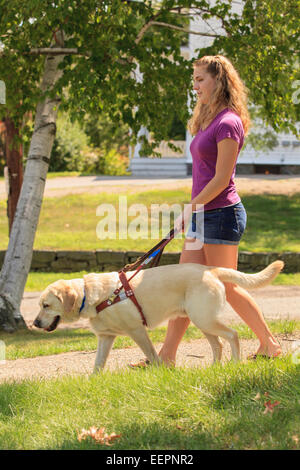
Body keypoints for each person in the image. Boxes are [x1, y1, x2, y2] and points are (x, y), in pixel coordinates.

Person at [130, 55, 281, 369]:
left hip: (222, 214)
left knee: (226, 284)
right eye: (194, 80)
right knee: (186, 285)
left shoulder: (228, 122)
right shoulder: (209, 118)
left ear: (219, 80)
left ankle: (270, 344)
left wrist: (193, 206)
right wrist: (194, 210)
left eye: (200, 79)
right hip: (202, 214)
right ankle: (166, 358)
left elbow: (222, 178)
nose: (195, 86)